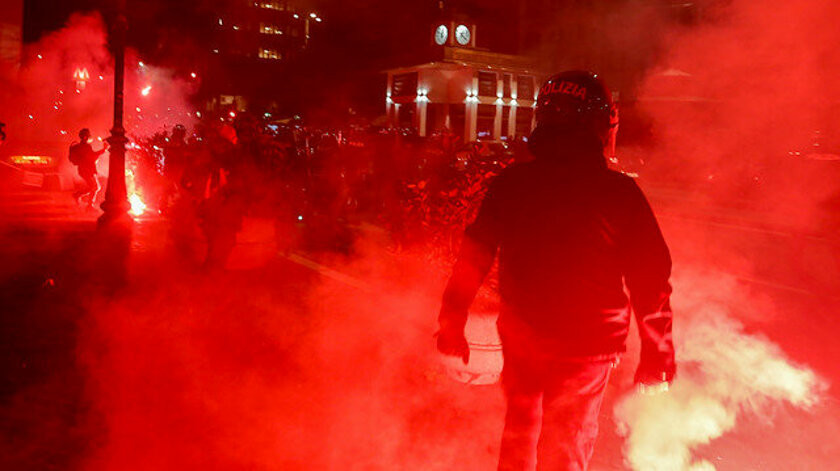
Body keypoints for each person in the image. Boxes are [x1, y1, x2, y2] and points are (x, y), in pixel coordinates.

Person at [437, 71, 675, 471]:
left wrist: (451, 322)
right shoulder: (619, 193)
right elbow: (651, 279)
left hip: (523, 339)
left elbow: (472, 258)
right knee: (565, 447)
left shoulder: (511, 184)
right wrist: (657, 356)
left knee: (519, 440)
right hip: (588, 348)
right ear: (601, 124)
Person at [69, 128, 108, 208]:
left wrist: (103, 150)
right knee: (94, 187)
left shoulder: (82, 146)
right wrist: (103, 150)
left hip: (86, 170)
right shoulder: (85, 147)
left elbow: (91, 157)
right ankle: (89, 205)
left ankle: (77, 195)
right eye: (88, 135)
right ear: (85, 137)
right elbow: (92, 157)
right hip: (86, 170)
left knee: (95, 187)